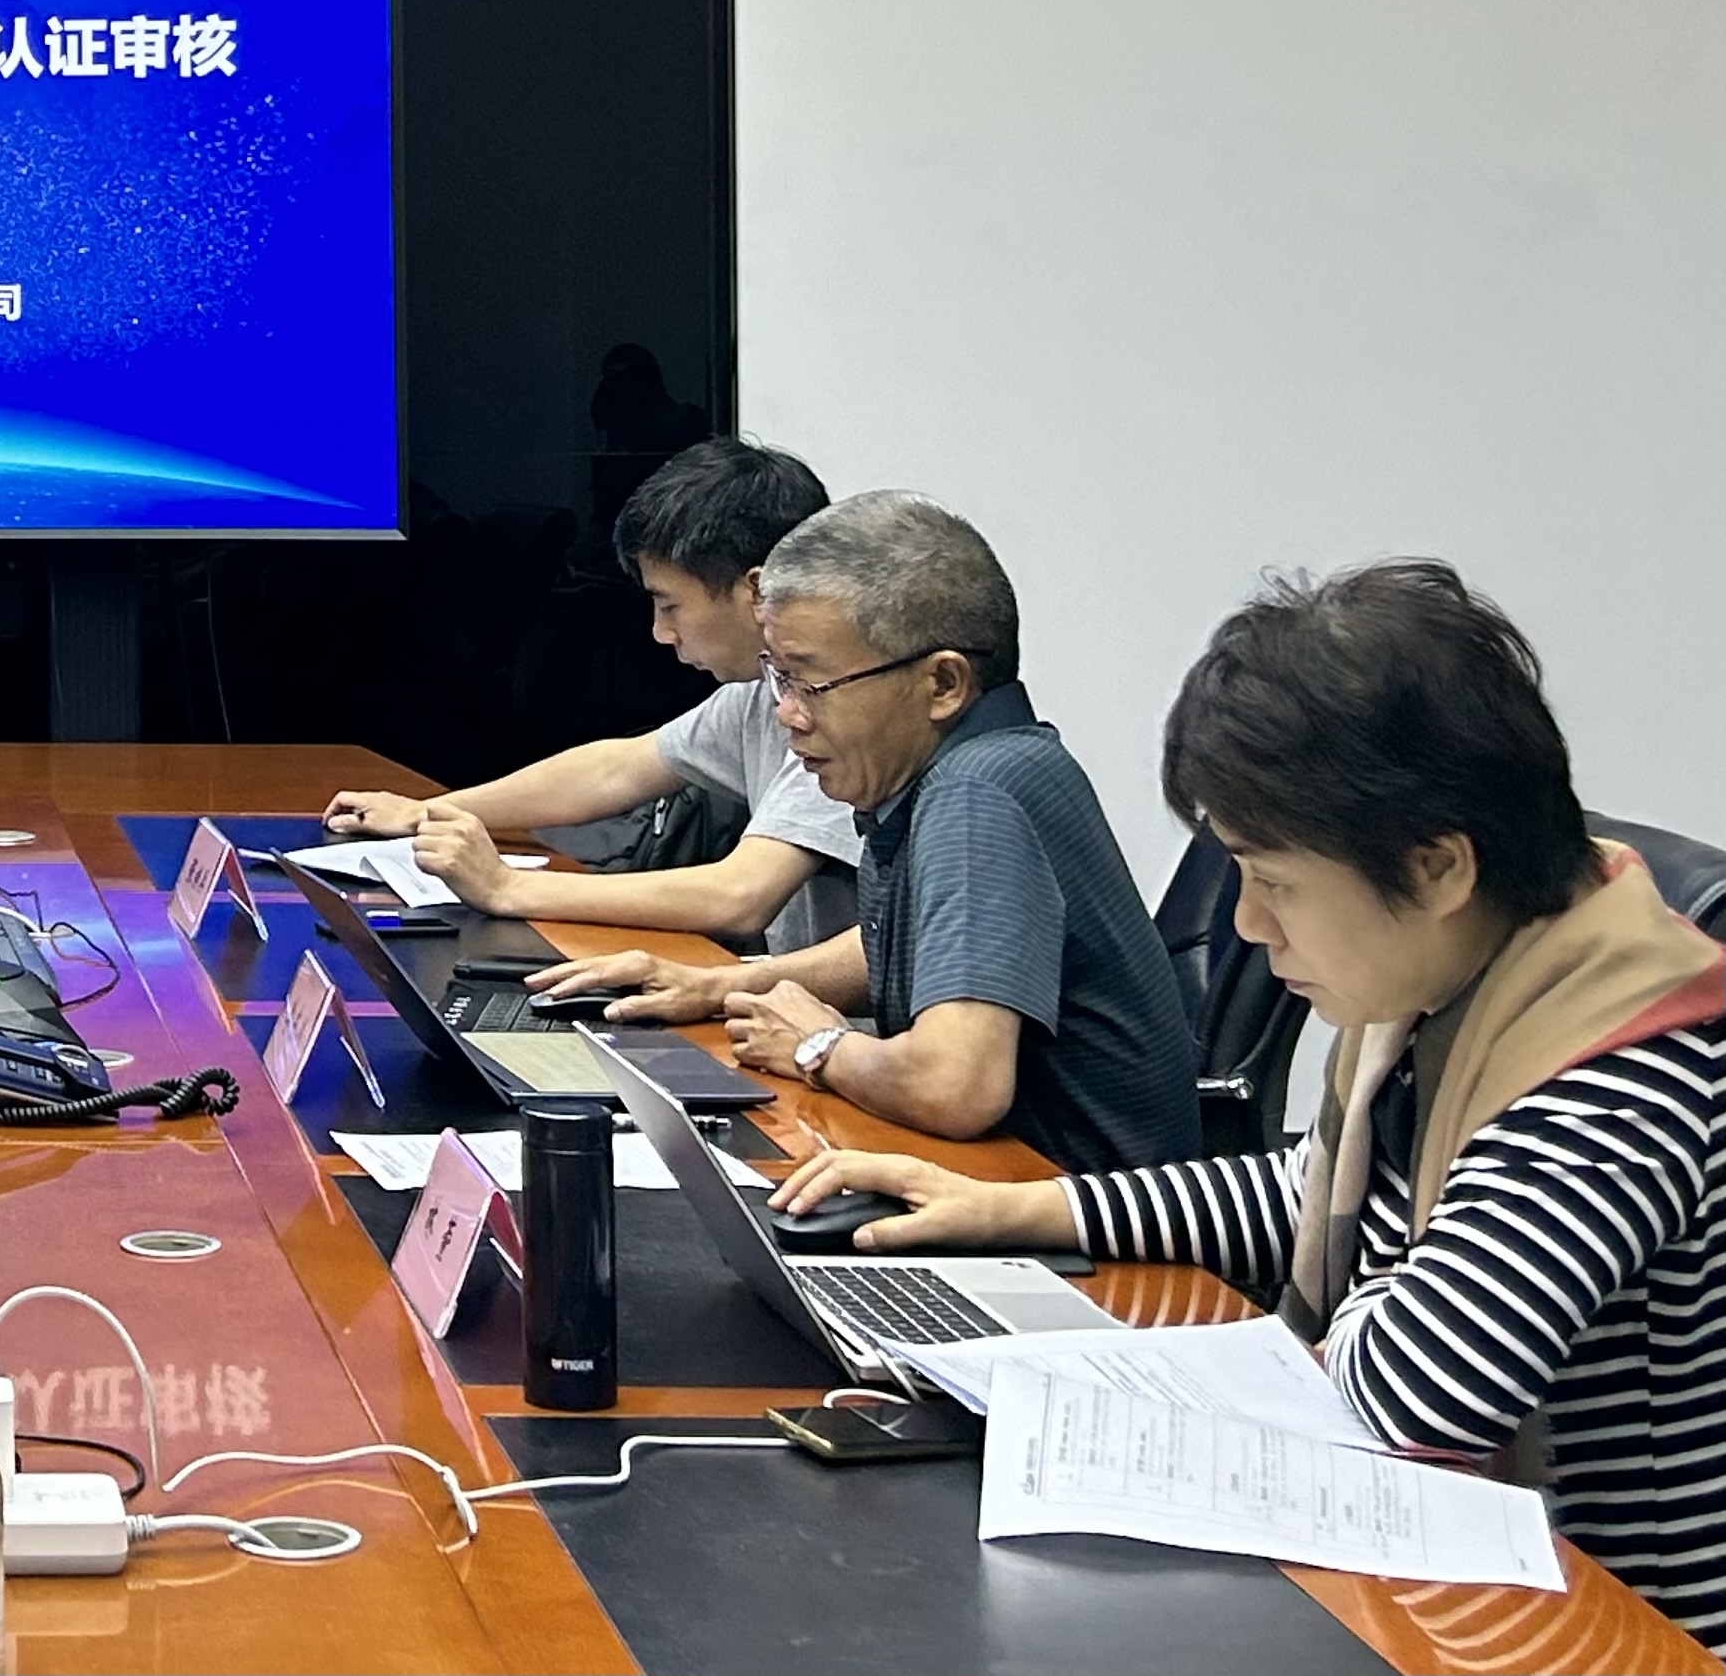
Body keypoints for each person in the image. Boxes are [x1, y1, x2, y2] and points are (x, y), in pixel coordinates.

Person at [774, 563, 1726, 1646]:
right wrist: (1010, 1209)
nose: (1249, 925)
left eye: (1272, 881)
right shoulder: (1462, 984)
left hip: (1619, 1631)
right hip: (1467, 1590)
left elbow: (1419, 1388)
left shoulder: (1622, 1061)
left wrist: (1383, 1277)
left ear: (1436, 868)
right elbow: (1313, 1189)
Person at [533, 491, 1199, 1172]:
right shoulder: (963, 768)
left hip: (1074, 1209)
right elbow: (903, 947)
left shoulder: (976, 795)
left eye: (810, 683)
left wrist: (818, 1046)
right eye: (778, 678)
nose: (787, 714)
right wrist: (721, 985)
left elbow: (955, 1085)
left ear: (942, 684)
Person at [326, 438, 862, 951]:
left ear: (756, 590)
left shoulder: (843, 706)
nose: (660, 632)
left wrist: (506, 887)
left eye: (670, 605)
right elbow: (618, 769)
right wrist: (428, 811)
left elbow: (739, 896)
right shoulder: (756, 694)